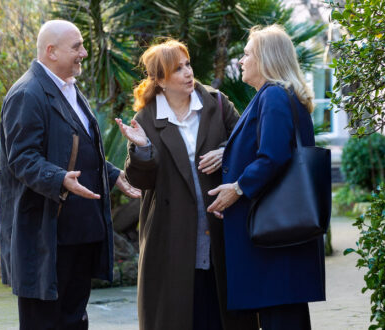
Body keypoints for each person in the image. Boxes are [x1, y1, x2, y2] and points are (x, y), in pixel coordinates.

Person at [0, 20, 140, 329]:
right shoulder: (27, 93)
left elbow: (77, 147)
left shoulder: (70, 89)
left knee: (75, 321)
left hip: (78, 234)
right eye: (76, 47)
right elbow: (21, 159)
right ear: (51, 51)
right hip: (46, 237)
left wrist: (112, 173)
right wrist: (60, 178)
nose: (84, 53)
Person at [116, 40, 258, 330]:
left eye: (188, 65)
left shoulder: (216, 103)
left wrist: (224, 150)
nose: (188, 73)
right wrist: (142, 150)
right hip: (171, 237)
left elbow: (250, 142)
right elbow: (140, 182)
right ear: (159, 80)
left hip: (220, 229)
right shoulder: (146, 118)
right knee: (181, 315)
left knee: (223, 315)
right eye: (177, 69)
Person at [207, 25, 326, 330]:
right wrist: (229, 155)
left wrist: (238, 187)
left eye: (247, 54)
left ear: (265, 59)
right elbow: (271, 145)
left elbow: (273, 155)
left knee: (281, 317)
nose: (241, 61)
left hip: (274, 236)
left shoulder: (272, 94)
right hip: (283, 233)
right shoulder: (280, 94)